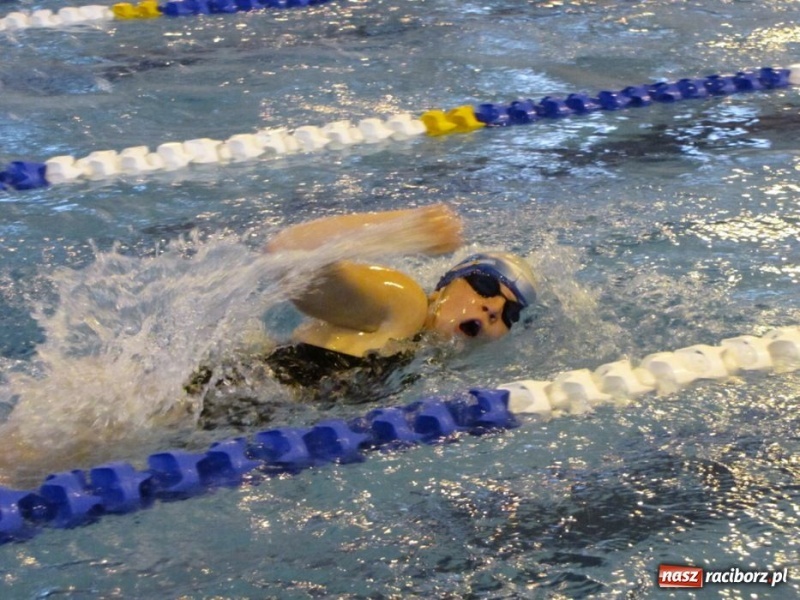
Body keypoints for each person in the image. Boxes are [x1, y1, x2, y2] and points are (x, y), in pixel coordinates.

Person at [193, 204, 538, 426]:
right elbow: (287, 253)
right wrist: (404, 230)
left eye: (511, 312)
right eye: (485, 285)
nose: (492, 308)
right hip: (192, 407)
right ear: (443, 286)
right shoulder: (407, 304)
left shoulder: (421, 350)